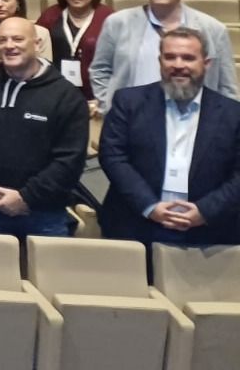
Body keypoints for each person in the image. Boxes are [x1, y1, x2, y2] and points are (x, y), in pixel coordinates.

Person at [99, 27, 240, 246]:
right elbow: (113, 157)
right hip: (134, 225)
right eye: (170, 57)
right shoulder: (128, 102)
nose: (178, 65)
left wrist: (206, 211)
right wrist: (149, 206)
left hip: (210, 232)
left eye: (188, 58)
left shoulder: (234, 114)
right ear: (160, 61)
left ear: (207, 63)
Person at [0, 17, 89, 239]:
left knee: (47, 274)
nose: (9, 45)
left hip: (45, 212)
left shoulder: (66, 96)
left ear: (37, 44)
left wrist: (26, 197)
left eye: (18, 39)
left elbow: (70, 160)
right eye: (3, 40)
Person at [91, 0, 237, 113]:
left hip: (194, 121)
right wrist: (110, 106)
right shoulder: (118, 23)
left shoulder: (213, 29)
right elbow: (100, 69)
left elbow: (226, 86)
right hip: (132, 118)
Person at [36, 0, 111, 104]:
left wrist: (104, 97)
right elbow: (35, 50)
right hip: (55, 93)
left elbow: (118, 60)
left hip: (95, 96)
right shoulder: (50, 15)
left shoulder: (108, 17)